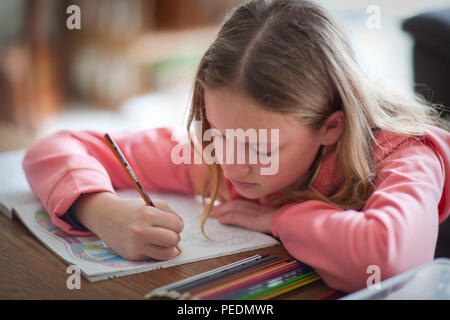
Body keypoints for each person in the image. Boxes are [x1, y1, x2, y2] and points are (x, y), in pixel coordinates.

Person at [23, 0, 449, 293]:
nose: (232, 167)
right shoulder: (216, 156)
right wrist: (101, 210)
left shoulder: (407, 156)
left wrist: (277, 218)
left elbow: (389, 259)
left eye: (262, 150)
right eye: (219, 133)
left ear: (331, 128)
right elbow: (56, 147)